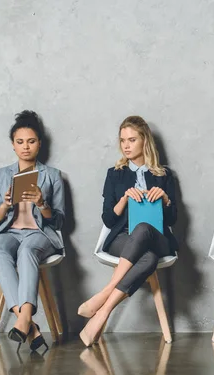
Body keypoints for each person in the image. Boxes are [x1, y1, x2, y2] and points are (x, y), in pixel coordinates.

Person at [78, 116, 178, 346]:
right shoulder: (115, 174)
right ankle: (102, 315)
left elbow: (174, 219)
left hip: (159, 238)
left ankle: (104, 295)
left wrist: (165, 200)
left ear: (145, 141)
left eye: (132, 139)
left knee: (144, 229)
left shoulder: (164, 175)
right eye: (122, 140)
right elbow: (108, 219)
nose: (126, 145)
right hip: (122, 237)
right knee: (148, 259)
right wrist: (124, 199)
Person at [0, 110, 65, 352]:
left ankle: (23, 319)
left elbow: (58, 222)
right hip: (8, 233)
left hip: (39, 234)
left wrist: (42, 203)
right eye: (20, 142)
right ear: (13, 145)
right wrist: (4, 205)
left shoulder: (52, 176)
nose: (25, 147)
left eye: (31, 141)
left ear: (39, 143)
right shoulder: (0, 175)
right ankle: (29, 325)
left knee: (28, 250)